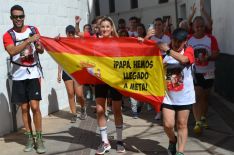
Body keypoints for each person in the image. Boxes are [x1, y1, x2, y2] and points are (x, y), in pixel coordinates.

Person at [3, 5, 46, 153]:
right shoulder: (8, 35)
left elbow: (41, 50)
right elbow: (12, 50)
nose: (19, 19)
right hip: (18, 75)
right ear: (11, 18)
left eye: (21, 16)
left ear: (24, 16)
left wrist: (38, 45)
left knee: (35, 107)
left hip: (33, 73)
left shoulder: (33, 30)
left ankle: (39, 138)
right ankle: (29, 137)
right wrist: (28, 41)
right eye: (16, 17)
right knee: (24, 108)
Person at [158, 28, 195, 155]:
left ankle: (180, 152)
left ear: (185, 41)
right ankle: (172, 140)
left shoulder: (189, 50)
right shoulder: (163, 49)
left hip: (184, 95)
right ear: (171, 38)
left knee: (182, 124)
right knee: (168, 125)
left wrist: (168, 51)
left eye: (180, 41)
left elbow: (184, 60)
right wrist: (144, 40)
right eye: (174, 40)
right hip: (168, 95)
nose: (176, 43)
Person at [95, 17, 125, 154]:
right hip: (100, 79)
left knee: (117, 110)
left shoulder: (118, 42)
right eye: (103, 27)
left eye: (108, 26)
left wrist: (144, 39)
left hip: (115, 80)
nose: (105, 29)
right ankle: (105, 142)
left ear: (112, 28)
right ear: (99, 28)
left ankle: (119, 141)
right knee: (100, 110)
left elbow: (128, 54)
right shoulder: (96, 42)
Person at [188, 16, 219, 135]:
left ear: (204, 27)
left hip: (208, 72)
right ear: (193, 27)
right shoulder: (189, 39)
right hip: (195, 73)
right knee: (197, 95)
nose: (199, 29)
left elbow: (216, 54)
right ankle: (197, 122)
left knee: (205, 97)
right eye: (197, 27)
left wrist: (208, 57)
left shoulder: (211, 39)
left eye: (201, 26)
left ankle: (203, 118)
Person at [57, 25, 87, 122]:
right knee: (70, 93)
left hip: (78, 71)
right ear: (66, 33)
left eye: (72, 32)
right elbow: (61, 60)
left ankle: (83, 108)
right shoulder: (63, 44)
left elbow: (86, 40)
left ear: (74, 33)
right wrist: (59, 74)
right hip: (67, 71)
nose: (70, 34)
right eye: (69, 32)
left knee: (79, 94)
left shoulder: (79, 43)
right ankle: (73, 114)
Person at [145, 17, 171, 120]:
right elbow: (142, 46)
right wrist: (147, 36)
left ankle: (168, 109)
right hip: (155, 66)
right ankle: (158, 111)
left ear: (163, 26)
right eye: (155, 25)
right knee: (156, 89)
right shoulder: (151, 38)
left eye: (159, 24)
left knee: (167, 88)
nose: (157, 27)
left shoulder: (168, 38)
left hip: (167, 65)